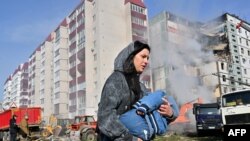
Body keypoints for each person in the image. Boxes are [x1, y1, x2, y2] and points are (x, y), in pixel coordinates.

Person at [97, 40, 177, 141]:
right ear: (131, 56)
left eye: (147, 58)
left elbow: (152, 110)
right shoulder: (116, 80)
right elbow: (105, 117)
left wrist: (170, 114)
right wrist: (130, 138)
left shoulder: (140, 86)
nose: (146, 61)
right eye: (143, 56)